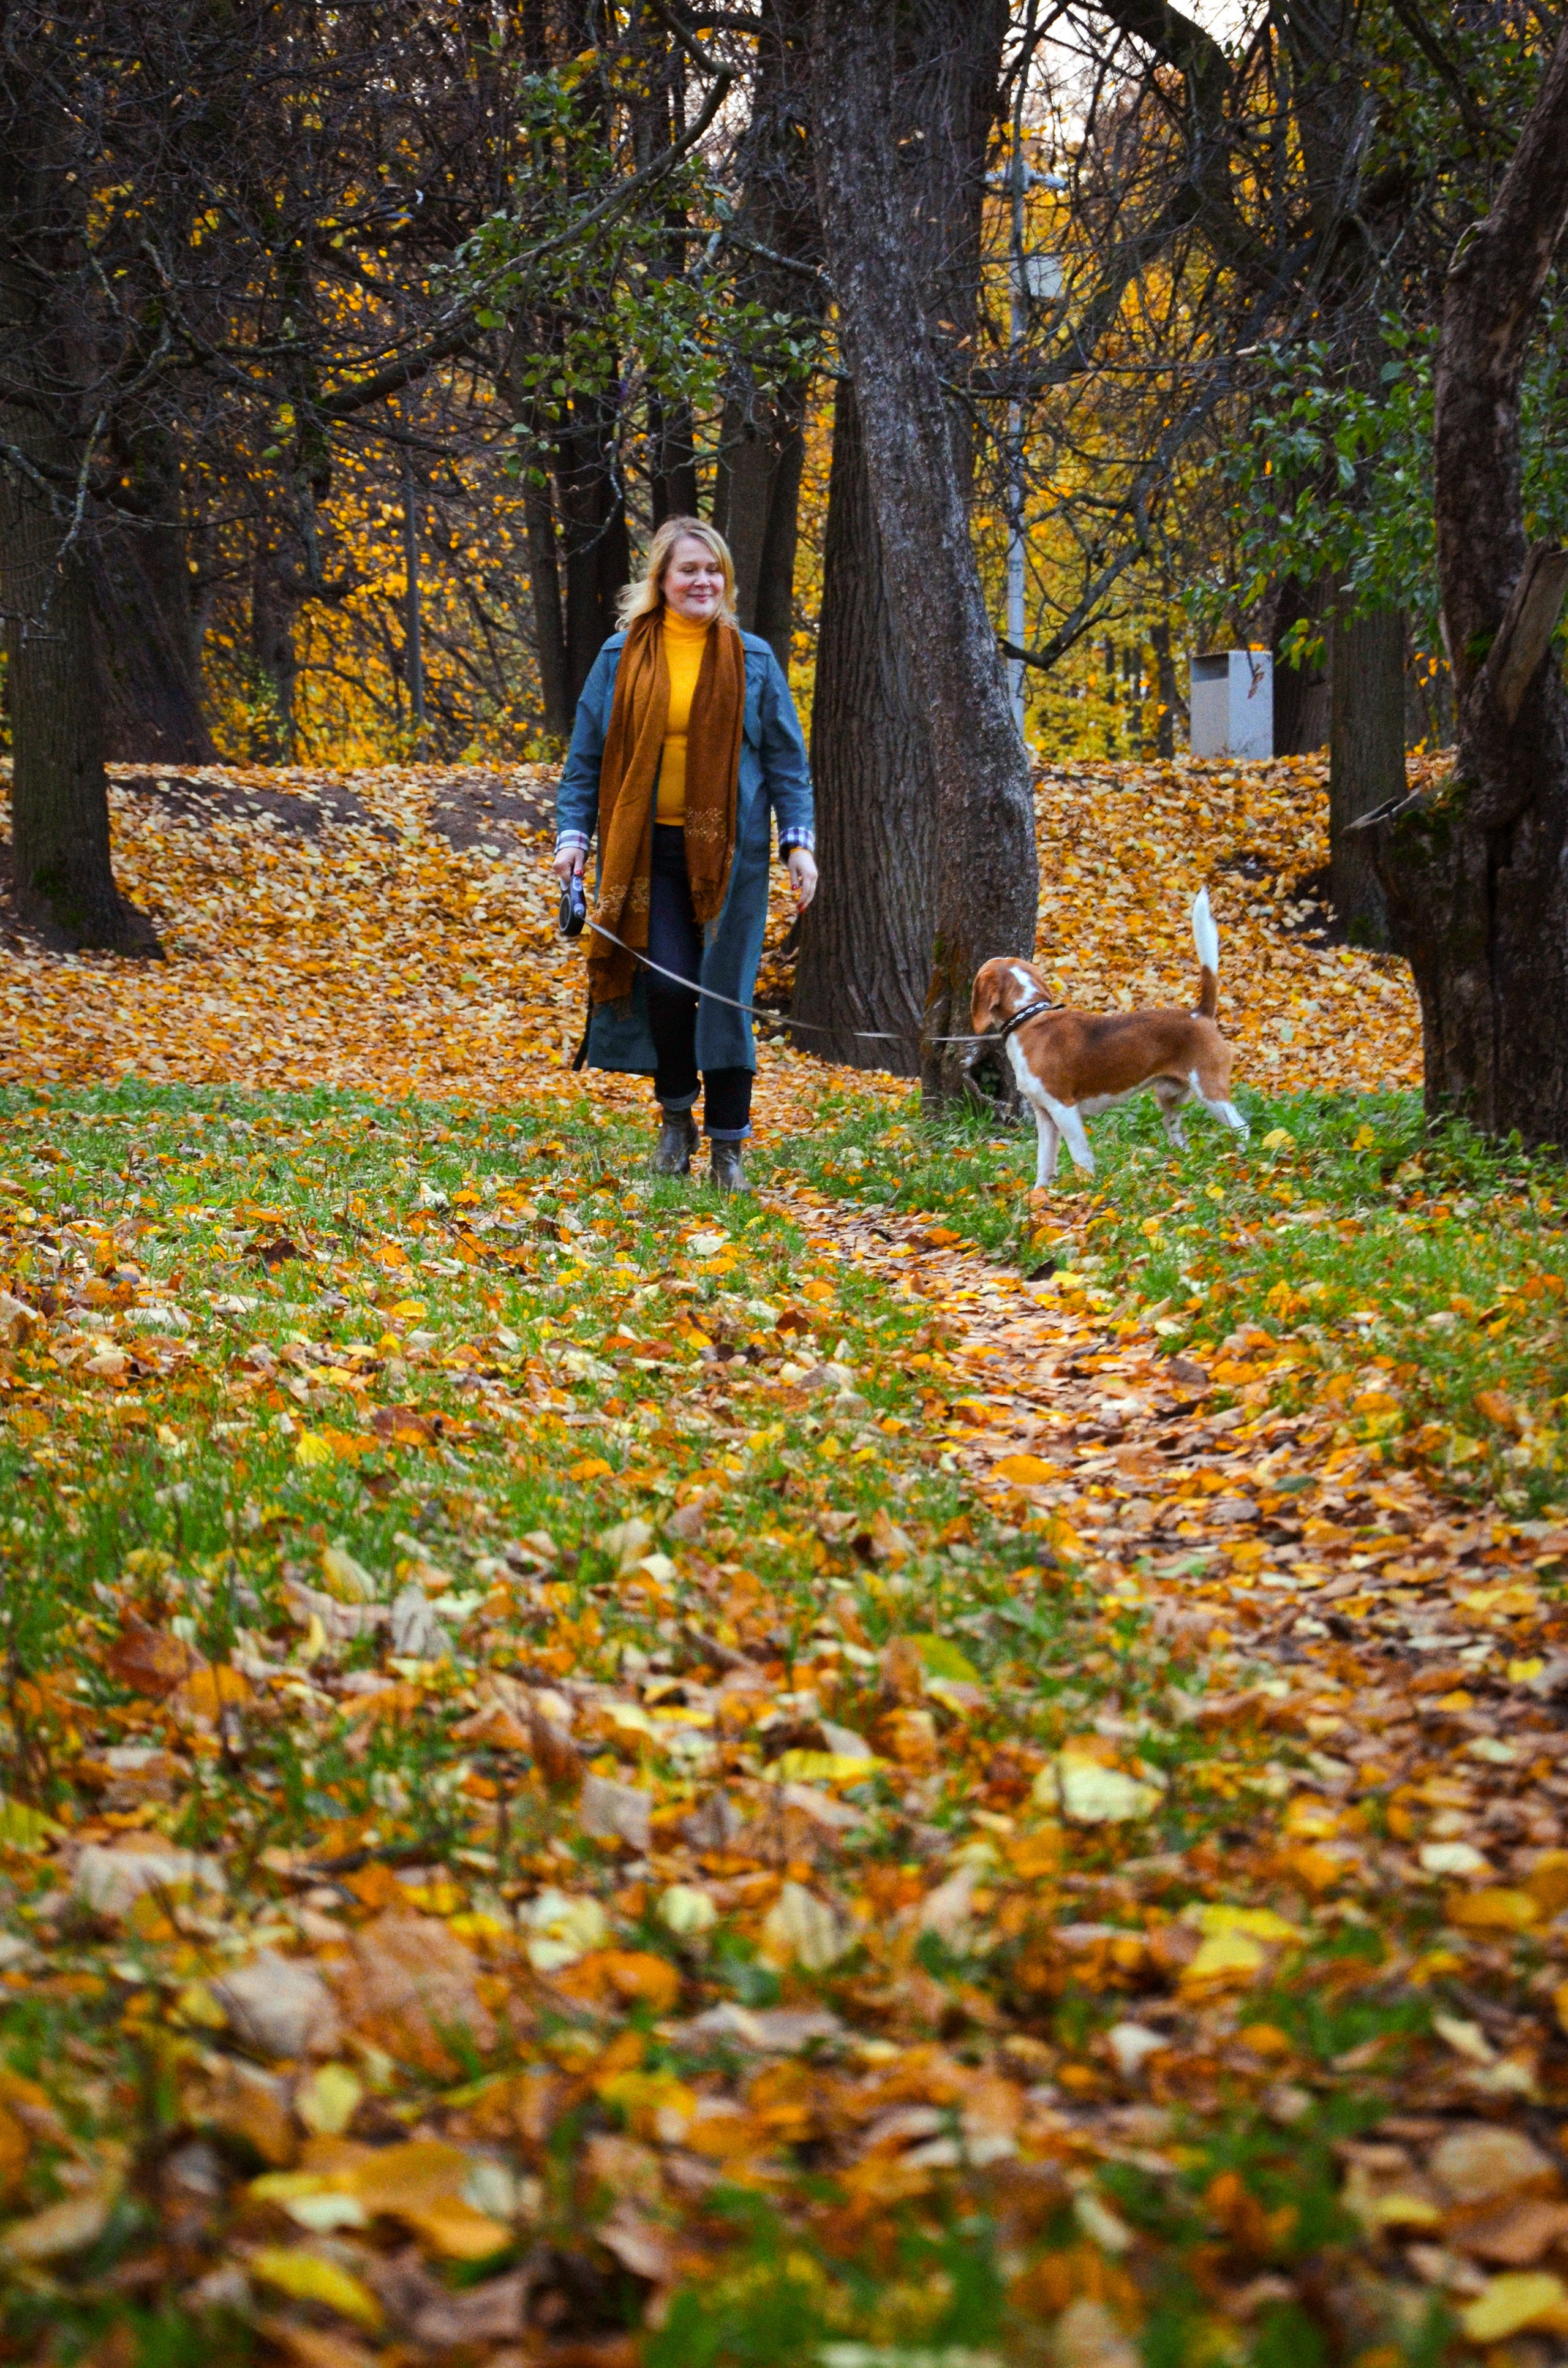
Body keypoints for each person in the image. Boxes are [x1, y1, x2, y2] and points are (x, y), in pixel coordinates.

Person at [552, 517, 817, 1193]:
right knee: (668, 987)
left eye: (713, 571)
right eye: (688, 570)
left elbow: (788, 762)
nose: (703, 581)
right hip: (643, 854)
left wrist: (798, 843)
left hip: (732, 858)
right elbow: (585, 758)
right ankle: (676, 1114)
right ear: (661, 581)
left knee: (723, 997)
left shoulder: (751, 659)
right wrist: (573, 840)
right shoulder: (620, 657)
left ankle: (729, 1148)